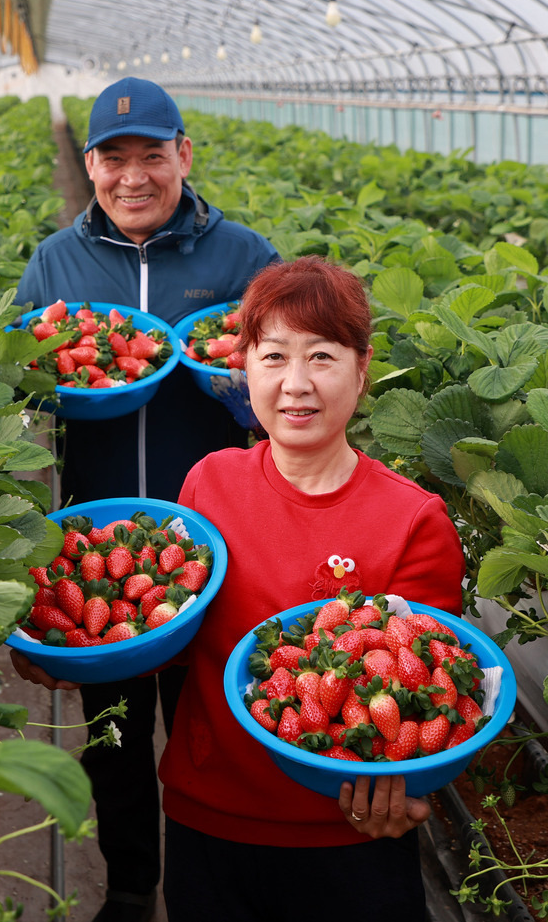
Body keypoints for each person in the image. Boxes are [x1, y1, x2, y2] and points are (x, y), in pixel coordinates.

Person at [11, 76, 281, 922]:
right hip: (100, 547)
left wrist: (250, 393)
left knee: (219, 734)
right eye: (114, 157)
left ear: (184, 157)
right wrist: (37, 385)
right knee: (116, 738)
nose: (134, 176)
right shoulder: (56, 262)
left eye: (152, 156)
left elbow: (292, 375)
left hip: (224, 541)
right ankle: (130, 886)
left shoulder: (245, 258)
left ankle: (219, 887)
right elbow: (18, 377)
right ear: (87, 164)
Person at [158, 255, 466, 922]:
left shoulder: (414, 520)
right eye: (273, 357)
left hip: (347, 836)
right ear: (244, 366)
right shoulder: (207, 484)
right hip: (208, 819)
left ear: (363, 366)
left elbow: (434, 696)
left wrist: (408, 794)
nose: (296, 384)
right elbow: (177, 640)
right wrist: (74, 655)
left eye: (322, 356)